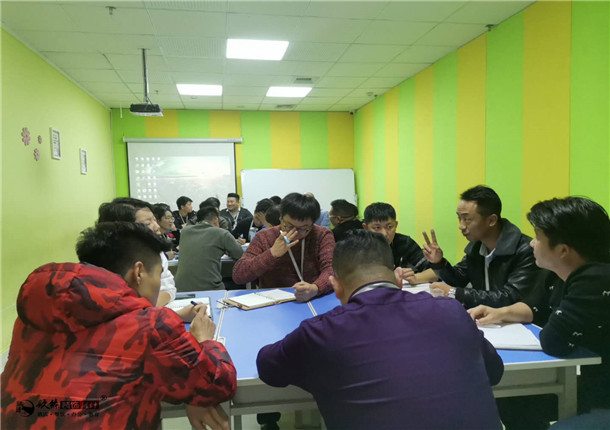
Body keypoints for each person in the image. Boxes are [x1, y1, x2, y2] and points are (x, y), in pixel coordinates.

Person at [256, 230, 504, 430]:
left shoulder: (320, 333)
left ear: (336, 287)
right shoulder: (452, 311)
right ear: (398, 279)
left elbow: (267, 366)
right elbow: (494, 371)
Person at [0, 222, 236, 430]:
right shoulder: (151, 325)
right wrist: (204, 341)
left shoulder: (37, 313)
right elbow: (216, 385)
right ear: (138, 272)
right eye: (159, 274)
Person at [468, 197, 610, 418]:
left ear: (562, 250)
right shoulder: (558, 271)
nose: (531, 244)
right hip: (586, 376)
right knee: (510, 403)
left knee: (514, 402)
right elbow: (535, 306)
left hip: (600, 391)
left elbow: (553, 342)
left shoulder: (596, 279)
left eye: (537, 237)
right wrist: (501, 312)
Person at [412, 185, 539, 308]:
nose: (461, 226)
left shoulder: (525, 249)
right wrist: (438, 262)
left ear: (491, 220)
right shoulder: (476, 247)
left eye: (467, 219)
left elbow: (510, 298)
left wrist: (455, 293)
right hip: (484, 316)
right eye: (459, 218)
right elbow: (458, 279)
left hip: (514, 321)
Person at [233, 192, 335, 302]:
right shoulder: (264, 237)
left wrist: (316, 288)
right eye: (289, 226)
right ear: (281, 218)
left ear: (313, 223)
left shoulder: (321, 235)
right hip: (272, 302)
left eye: (304, 228)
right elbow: (239, 275)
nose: (295, 233)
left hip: (313, 298)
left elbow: (332, 270)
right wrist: (271, 253)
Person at [106, 198, 177, 308]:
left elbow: (169, 288)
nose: (157, 227)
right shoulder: (106, 259)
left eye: (155, 220)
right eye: (148, 223)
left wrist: (149, 310)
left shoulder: (155, 252)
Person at [175, 206, 244, 291]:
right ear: (216, 220)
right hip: (210, 288)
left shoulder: (185, 231)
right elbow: (240, 255)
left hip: (180, 289)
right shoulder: (222, 233)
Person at [363, 202, 430, 283]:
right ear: (365, 228)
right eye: (377, 228)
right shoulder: (357, 246)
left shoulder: (405, 243)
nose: (384, 234)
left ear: (396, 225)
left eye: (389, 227)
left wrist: (416, 278)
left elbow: (435, 270)